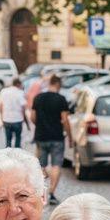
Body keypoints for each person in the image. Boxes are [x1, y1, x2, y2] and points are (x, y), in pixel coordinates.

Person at [31, 72, 69, 205]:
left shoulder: (38, 98)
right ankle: (51, 192)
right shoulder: (61, 99)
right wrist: (69, 136)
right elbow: (64, 120)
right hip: (57, 137)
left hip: (41, 136)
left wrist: (41, 125)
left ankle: (43, 188)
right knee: (56, 165)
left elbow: (33, 118)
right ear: (58, 84)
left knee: (40, 165)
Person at [0, 77, 28, 149]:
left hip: (6, 119)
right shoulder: (20, 92)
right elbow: (23, 107)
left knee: (8, 140)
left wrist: (2, 119)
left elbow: (1, 106)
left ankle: (8, 158)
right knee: (18, 140)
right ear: (18, 84)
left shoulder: (4, 91)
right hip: (17, 119)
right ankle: (17, 157)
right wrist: (25, 119)